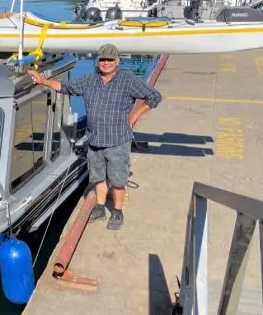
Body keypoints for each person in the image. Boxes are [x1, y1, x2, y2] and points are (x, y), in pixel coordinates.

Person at [27, 44, 162, 230]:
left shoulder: (128, 80)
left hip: (117, 141)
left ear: (118, 61)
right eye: (102, 59)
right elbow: (65, 87)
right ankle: (99, 207)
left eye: (110, 59)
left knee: (118, 178)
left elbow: (154, 97)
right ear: (98, 61)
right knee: (97, 176)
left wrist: (135, 114)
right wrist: (43, 81)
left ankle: (117, 211)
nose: (106, 63)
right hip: (95, 140)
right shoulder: (90, 80)